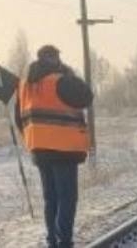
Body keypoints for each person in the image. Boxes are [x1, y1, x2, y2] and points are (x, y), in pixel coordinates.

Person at [14, 45, 93, 248]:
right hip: (63, 149)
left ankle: (52, 241)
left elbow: (19, 117)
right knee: (67, 198)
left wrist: (33, 138)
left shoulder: (25, 84)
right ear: (56, 59)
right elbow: (87, 96)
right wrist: (69, 74)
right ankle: (63, 241)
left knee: (51, 198)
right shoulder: (61, 80)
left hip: (39, 149)